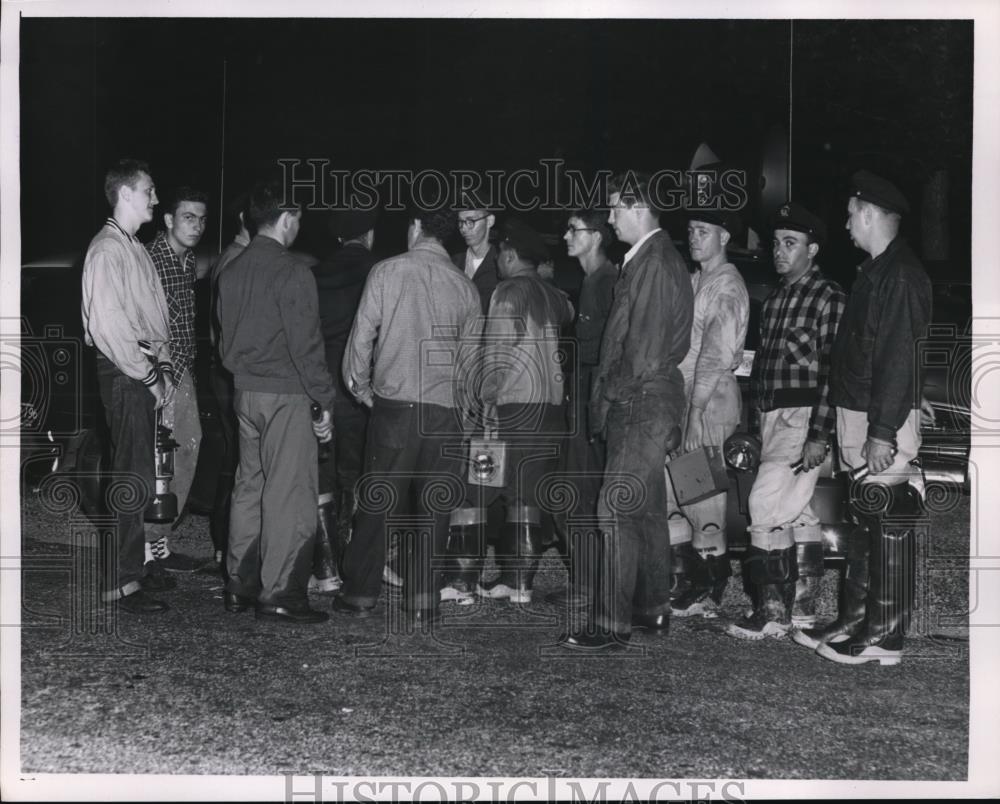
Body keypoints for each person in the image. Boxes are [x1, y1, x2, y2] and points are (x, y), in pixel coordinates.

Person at [797, 170, 931, 666]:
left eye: (852, 214)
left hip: (877, 421)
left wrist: (883, 432)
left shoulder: (899, 276)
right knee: (866, 525)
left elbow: (898, 356)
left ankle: (886, 637)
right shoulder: (878, 272)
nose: (848, 222)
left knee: (887, 523)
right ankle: (858, 620)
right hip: (864, 412)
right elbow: (886, 355)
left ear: (870, 214)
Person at [561, 172, 693, 650]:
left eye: (616, 208)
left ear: (640, 209)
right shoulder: (646, 260)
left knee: (614, 508)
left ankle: (610, 623)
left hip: (641, 397)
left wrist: (610, 391)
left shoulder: (654, 262)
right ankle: (652, 608)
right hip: (647, 397)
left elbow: (644, 349)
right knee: (647, 510)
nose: (611, 217)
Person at [334, 207, 481, 623]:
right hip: (446, 414)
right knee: (435, 511)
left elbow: (361, 338)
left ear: (415, 227)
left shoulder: (386, 272)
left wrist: (362, 390)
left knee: (378, 505)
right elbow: (472, 367)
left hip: (395, 410)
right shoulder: (466, 288)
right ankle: (422, 600)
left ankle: (360, 594)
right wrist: (466, 418)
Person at [727, 202, 846, 640]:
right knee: (799, 512)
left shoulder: (828, 297)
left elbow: (834, 372)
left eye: (790, 244)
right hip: (772, 416)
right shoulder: (776, 299)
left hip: (802, 419)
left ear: (812, 249)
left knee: (765, 505)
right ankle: (803, 610)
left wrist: (819, 434)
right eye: (776, 243)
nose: (780, 251)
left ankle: (771, 612)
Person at [217, 180, 335, 624]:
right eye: (299, 217)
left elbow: (225, 341)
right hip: (286, 394)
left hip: (245, 394)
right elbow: (307, 347)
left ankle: (240, 585)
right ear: (287, 218)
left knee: (250, 488)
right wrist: (324, 402)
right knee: (288, 494)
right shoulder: (292, 271)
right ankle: (282, 593)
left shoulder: (231, 271)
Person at [449, 219, 574, 606]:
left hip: (511, 408)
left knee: (475, 490)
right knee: (525, 497)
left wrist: (484, 400)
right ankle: (518, 583)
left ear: (508, 255)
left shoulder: (507, 292)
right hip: (550, 412)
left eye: (500, 255)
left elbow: (497, 356)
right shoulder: (556, 298)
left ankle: (462, 581)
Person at [81, 158, 175, 613]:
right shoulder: (107, 251)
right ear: (125, 194)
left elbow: (153, 317)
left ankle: (133, 569)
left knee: (141, 474)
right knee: (131, 475)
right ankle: (121, 583)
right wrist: (149, 373)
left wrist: (164, 365)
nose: (156, 198)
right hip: (124, 371)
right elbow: (110, 328)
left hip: (139, 368)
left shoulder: (133, 248)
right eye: (149, 190)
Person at [667, 208, 750, 619]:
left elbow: (716, 353)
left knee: (701, 498)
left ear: (724, 236)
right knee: (674, 495)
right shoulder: (697, 281)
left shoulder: (726, 286)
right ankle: (681, 579)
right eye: (691, 231)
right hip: (687, 400)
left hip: (709, 400)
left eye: (704, 231)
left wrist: (697, 411)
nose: (694, 238)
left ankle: (708, 586)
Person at [311, 207, 380, 592]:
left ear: (338, 237)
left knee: (321, 474)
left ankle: (325, 571)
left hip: (321, 388)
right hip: (360, 390)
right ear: (369, 235)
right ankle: (356, 565)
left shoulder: (315, 275)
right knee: (356, 475)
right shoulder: (379, 271)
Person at [551, 208, 618, 606]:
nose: (565, 236)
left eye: (574, 230)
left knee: (580, 492)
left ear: (595, 237)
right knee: (577, 492)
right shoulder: (593, 281)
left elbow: (606, 353)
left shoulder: (606, 283)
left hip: (594, 404)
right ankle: (589, 582)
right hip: (585, 402)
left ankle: (591, 586)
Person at [144, 187, 210, 575]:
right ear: (168, 219)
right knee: (161, 460)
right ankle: (149, 548)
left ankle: (160, 540)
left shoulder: (187, 261)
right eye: (188, 217)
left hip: (183, 369)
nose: (197, 226)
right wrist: (159, 379)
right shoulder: (152, 259)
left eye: (201, 219)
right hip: (160, 373)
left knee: (183, 450)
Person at [206, 192, 255, 572]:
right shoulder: (239, 260)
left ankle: (226, 548)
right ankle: (227, 549)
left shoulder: (235, 256)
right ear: (243, 216)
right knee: (237, 461)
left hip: (228, 371)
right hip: (232, 373)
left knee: (235, 459)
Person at [452, 203, 500, 315]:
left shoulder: (501, 264)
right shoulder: (453, 263)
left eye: (471, 222)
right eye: (460, 222)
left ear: (489, 221)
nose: (463, 229)